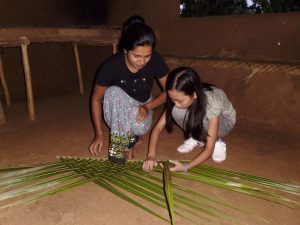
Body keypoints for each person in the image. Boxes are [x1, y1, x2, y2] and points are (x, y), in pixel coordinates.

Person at [89, 15, 169, 164]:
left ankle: (133, 137)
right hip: (117, 114)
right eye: (137, 56)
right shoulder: (111, 66)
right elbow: (96, 99)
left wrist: (147, 106)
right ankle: (121, 148)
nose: (142, 61)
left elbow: (170, 91)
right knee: (113, 92)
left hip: (142, 112)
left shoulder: (156, 60)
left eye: (147, 56)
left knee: (136, 125)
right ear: (125, 50)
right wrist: (99, 134)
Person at [143, 67, 236, 172]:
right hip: (199, 115)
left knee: (204, 122)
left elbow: (209, 149)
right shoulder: (178, 98)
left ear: (195, 94)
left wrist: (185, 167)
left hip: (225, 120)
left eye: (180, 100)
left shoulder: (212, 102)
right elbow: (157, 128)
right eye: (172, 99)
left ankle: (217, 140)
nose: (176, 103)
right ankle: (197, 136)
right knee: (176, 110)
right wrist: (151, 155)